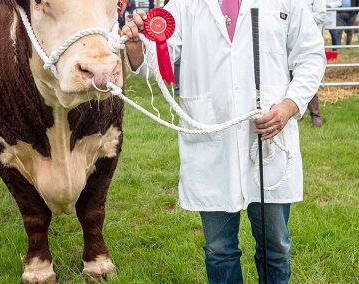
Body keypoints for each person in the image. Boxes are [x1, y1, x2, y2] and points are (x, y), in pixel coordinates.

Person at [122, 1, 326, 283]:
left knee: (275, 246)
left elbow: (311, 56)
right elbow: (158, 62)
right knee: (219, 249)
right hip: (212, 140)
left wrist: (290, 105)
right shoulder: (184, 5)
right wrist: (136, 47)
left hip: (268, 139)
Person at [306, 0, 327, 126]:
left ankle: (315, 114)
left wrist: (300, 17)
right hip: (289, 42)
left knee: (307, 78)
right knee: (289, 77)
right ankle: (295, 114)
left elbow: (321, 16)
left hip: (309, 42)